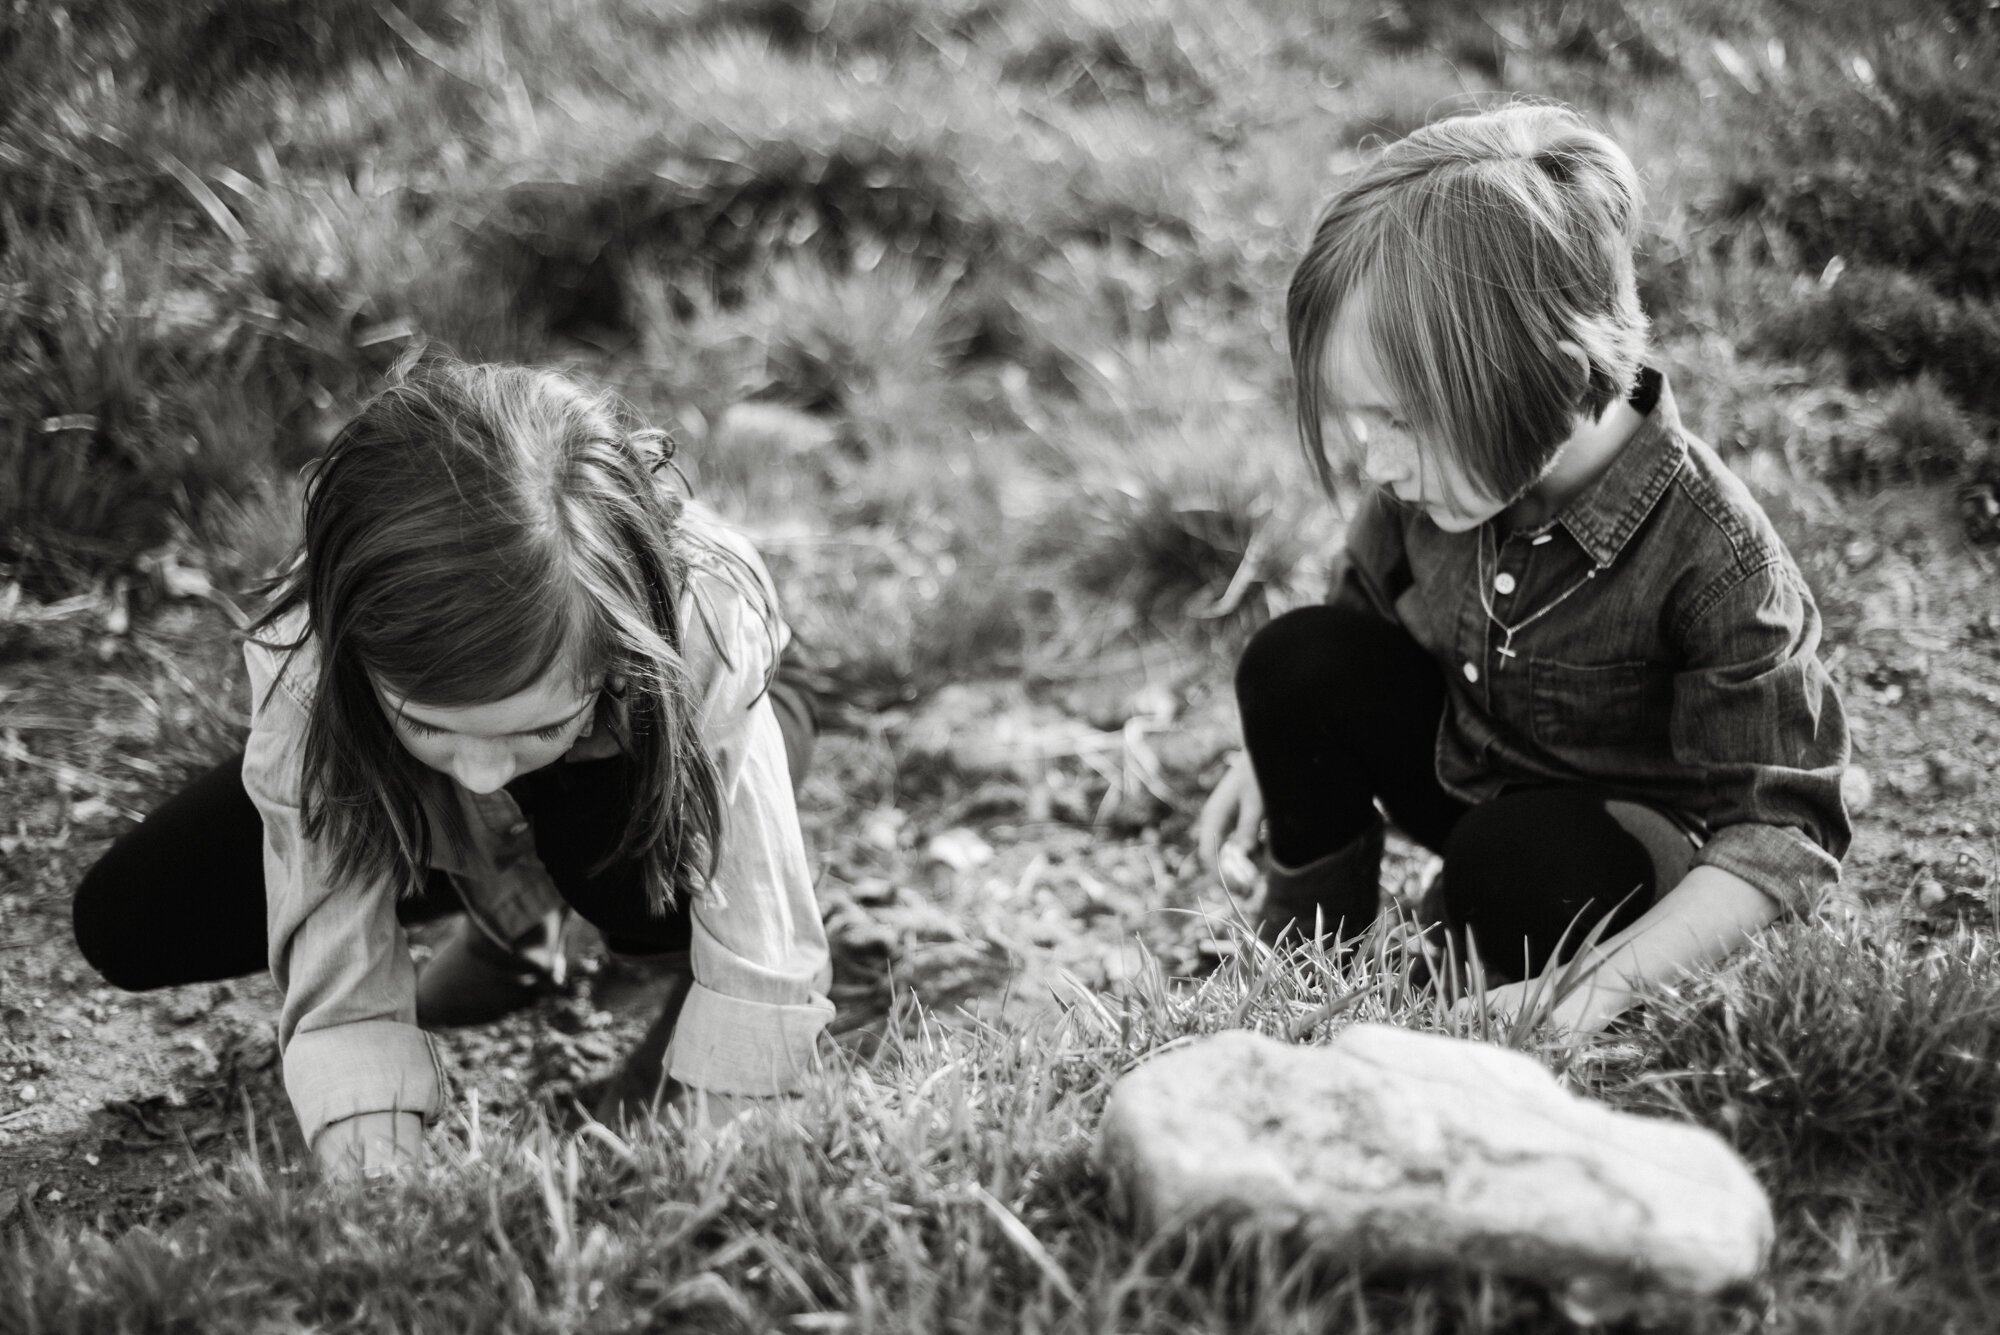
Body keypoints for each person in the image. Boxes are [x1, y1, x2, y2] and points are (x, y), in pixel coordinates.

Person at [73, 360, 834, 1178]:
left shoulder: (701, 624)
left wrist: (730, 1119)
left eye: (534, 725)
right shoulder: (313, 659)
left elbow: (755, 921)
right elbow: (336, 948)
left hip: (652, 756)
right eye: (426, 722)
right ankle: (525, 918)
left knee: (619, 854)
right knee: (129, 919)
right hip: (463, 777)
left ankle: (602, 928)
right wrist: (372, 1156)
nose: (475, 776)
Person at [1196, 104, 1850, 1033]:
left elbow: (1784, 830)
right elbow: (1359, 629)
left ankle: (1476, 973)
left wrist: (1606, 987)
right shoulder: (1438, 480)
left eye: (1400, 421)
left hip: (1602, 854)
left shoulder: (1716, 555)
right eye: (1359, 423)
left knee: (1522, 865)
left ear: (1542, 376)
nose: (1376, 463)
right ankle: (1309, 948)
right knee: (1292, 658)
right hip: (1468, 775)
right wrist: (1275, 752)